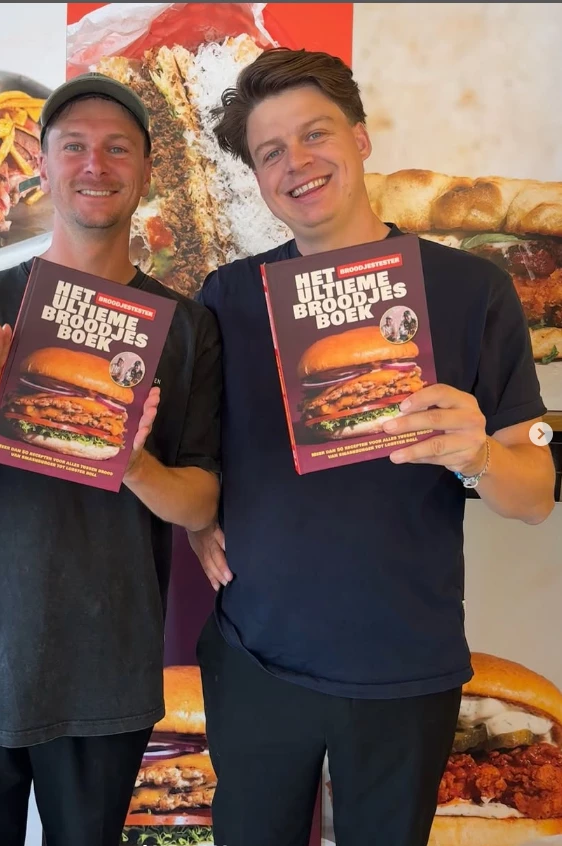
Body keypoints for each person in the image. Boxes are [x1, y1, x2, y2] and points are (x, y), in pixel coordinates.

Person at [187, 48, 556, 846]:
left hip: (405, 664)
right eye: (270, 152)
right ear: (258, 177)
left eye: (315, 134)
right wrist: (195, 515)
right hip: (254, 657)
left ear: (360, 138)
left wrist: (481, 455)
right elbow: (198, 453)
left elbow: (533, 497)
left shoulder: (471, 290)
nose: (296, 162)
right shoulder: (228, 296)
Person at [0, 73, 221, 846]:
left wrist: (135, 464)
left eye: (117, 148)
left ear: (146, 170)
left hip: (106, 681)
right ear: (42, 165)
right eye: (74, 147)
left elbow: (199, 502)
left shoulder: (187, 328)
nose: (95, 165)